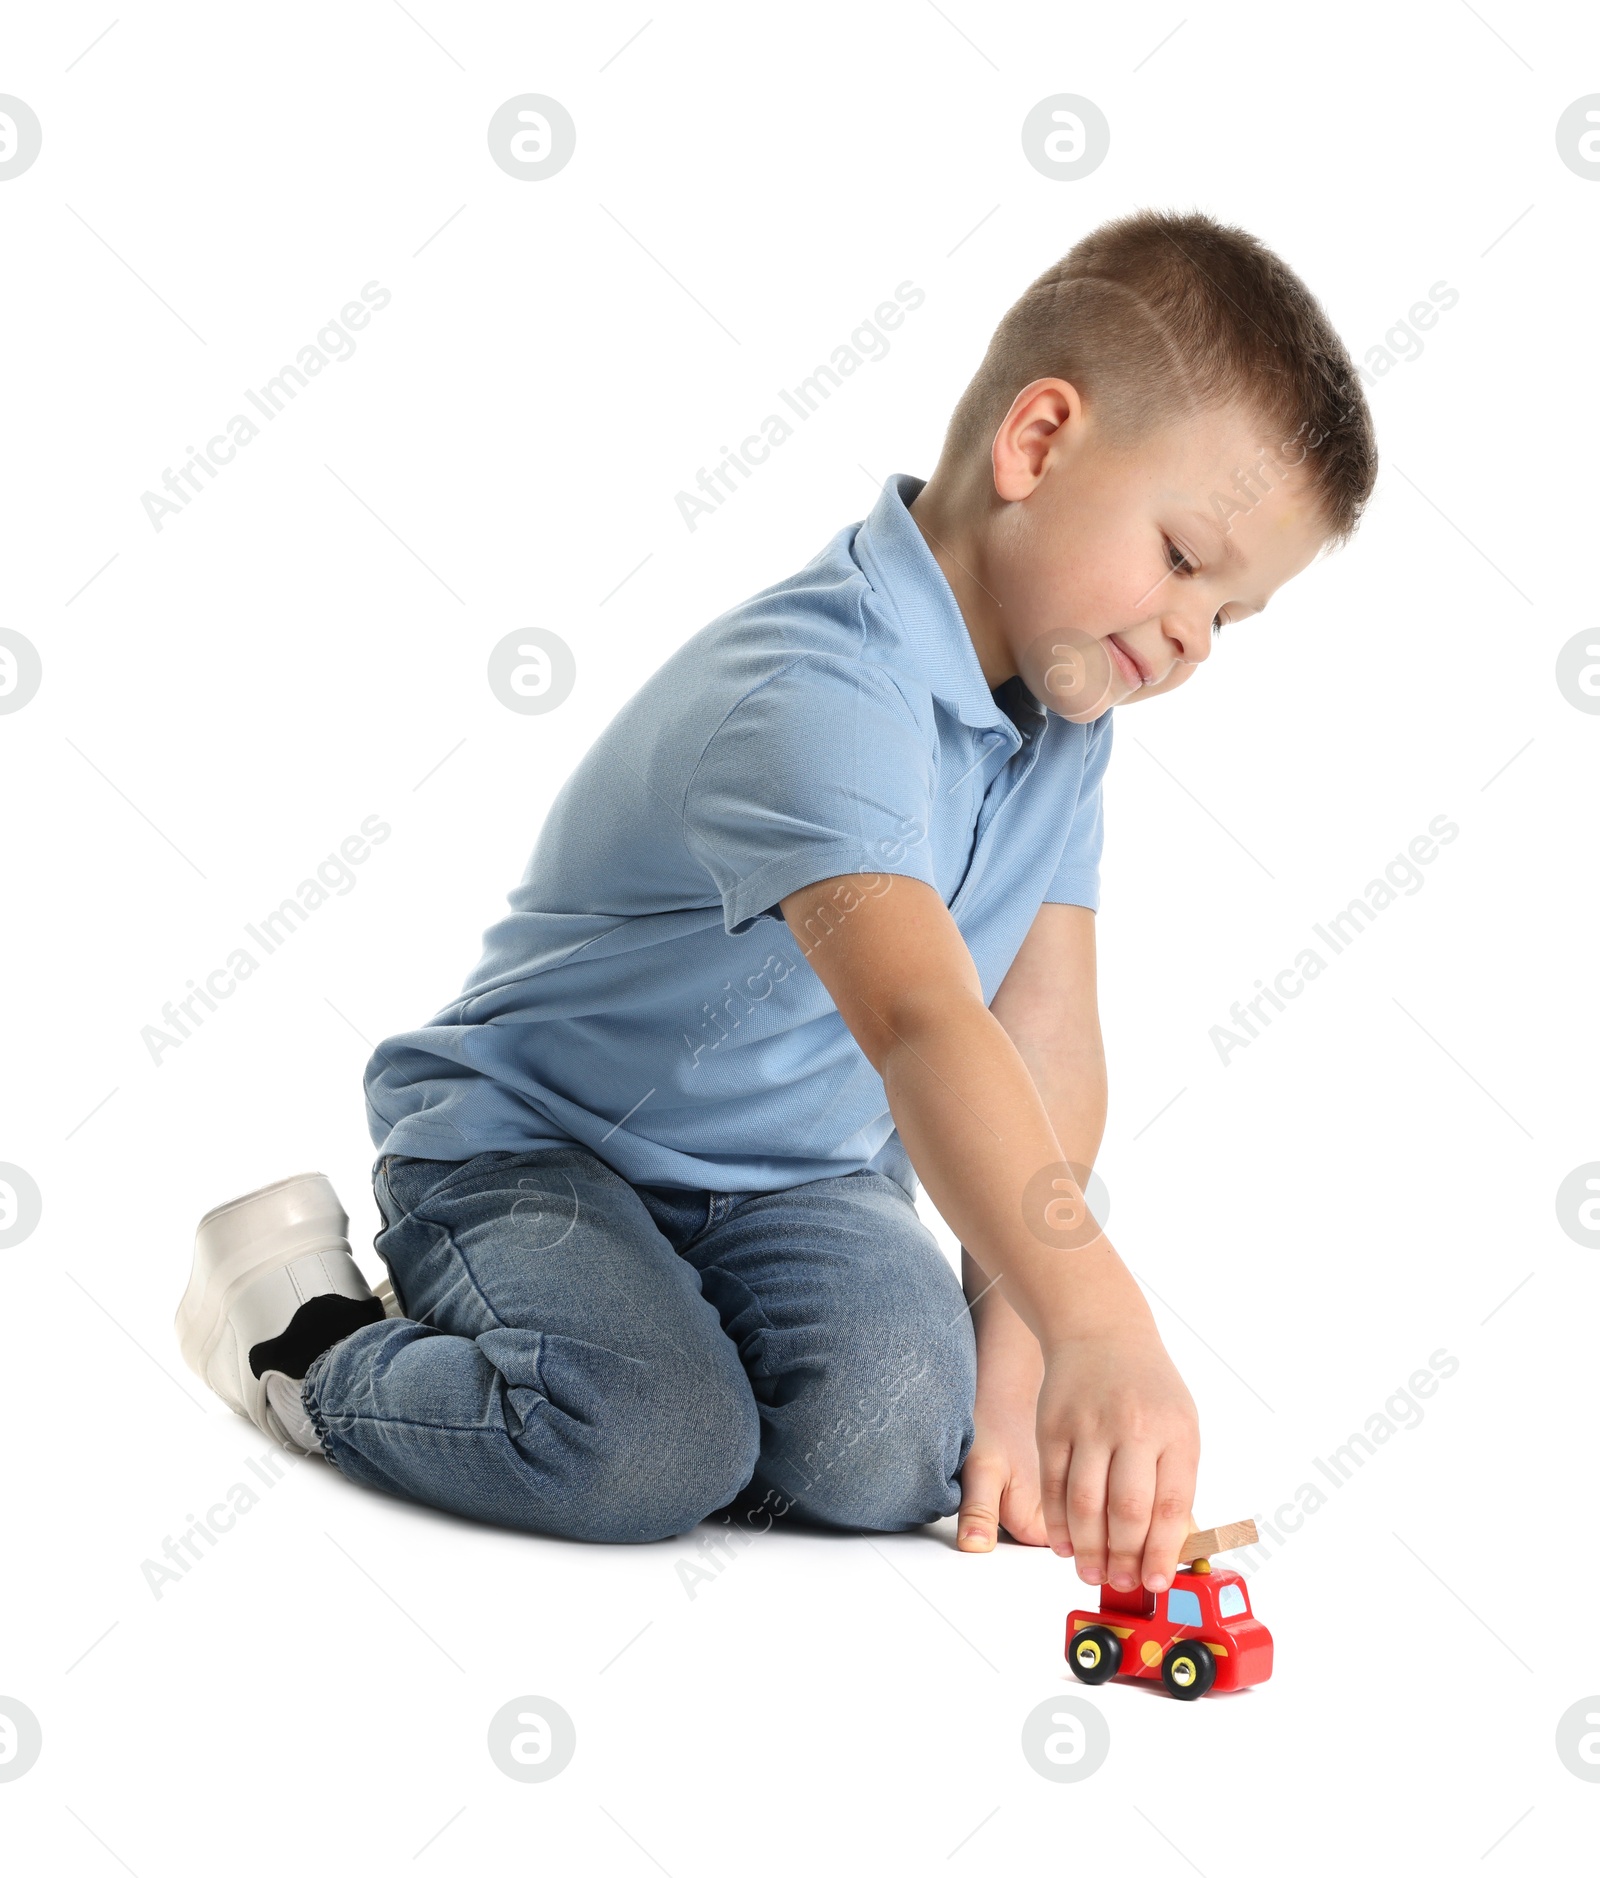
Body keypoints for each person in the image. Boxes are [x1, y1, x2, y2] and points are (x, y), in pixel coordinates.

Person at [175, 208, 1375, 1599]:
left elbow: (1045, 1032)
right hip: (541, 1150)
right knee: (644, 1444)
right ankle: (311, 1342)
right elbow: (927, 1022)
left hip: (797, 1181)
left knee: (900, 1450)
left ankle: (650, 1364)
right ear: (1037, 443)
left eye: (1228, 616)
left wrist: (1025, 1328)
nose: (1187, 640)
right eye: (1180, 558)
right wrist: (1100, 1316)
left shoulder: (1068, 723)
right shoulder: (817, 691)